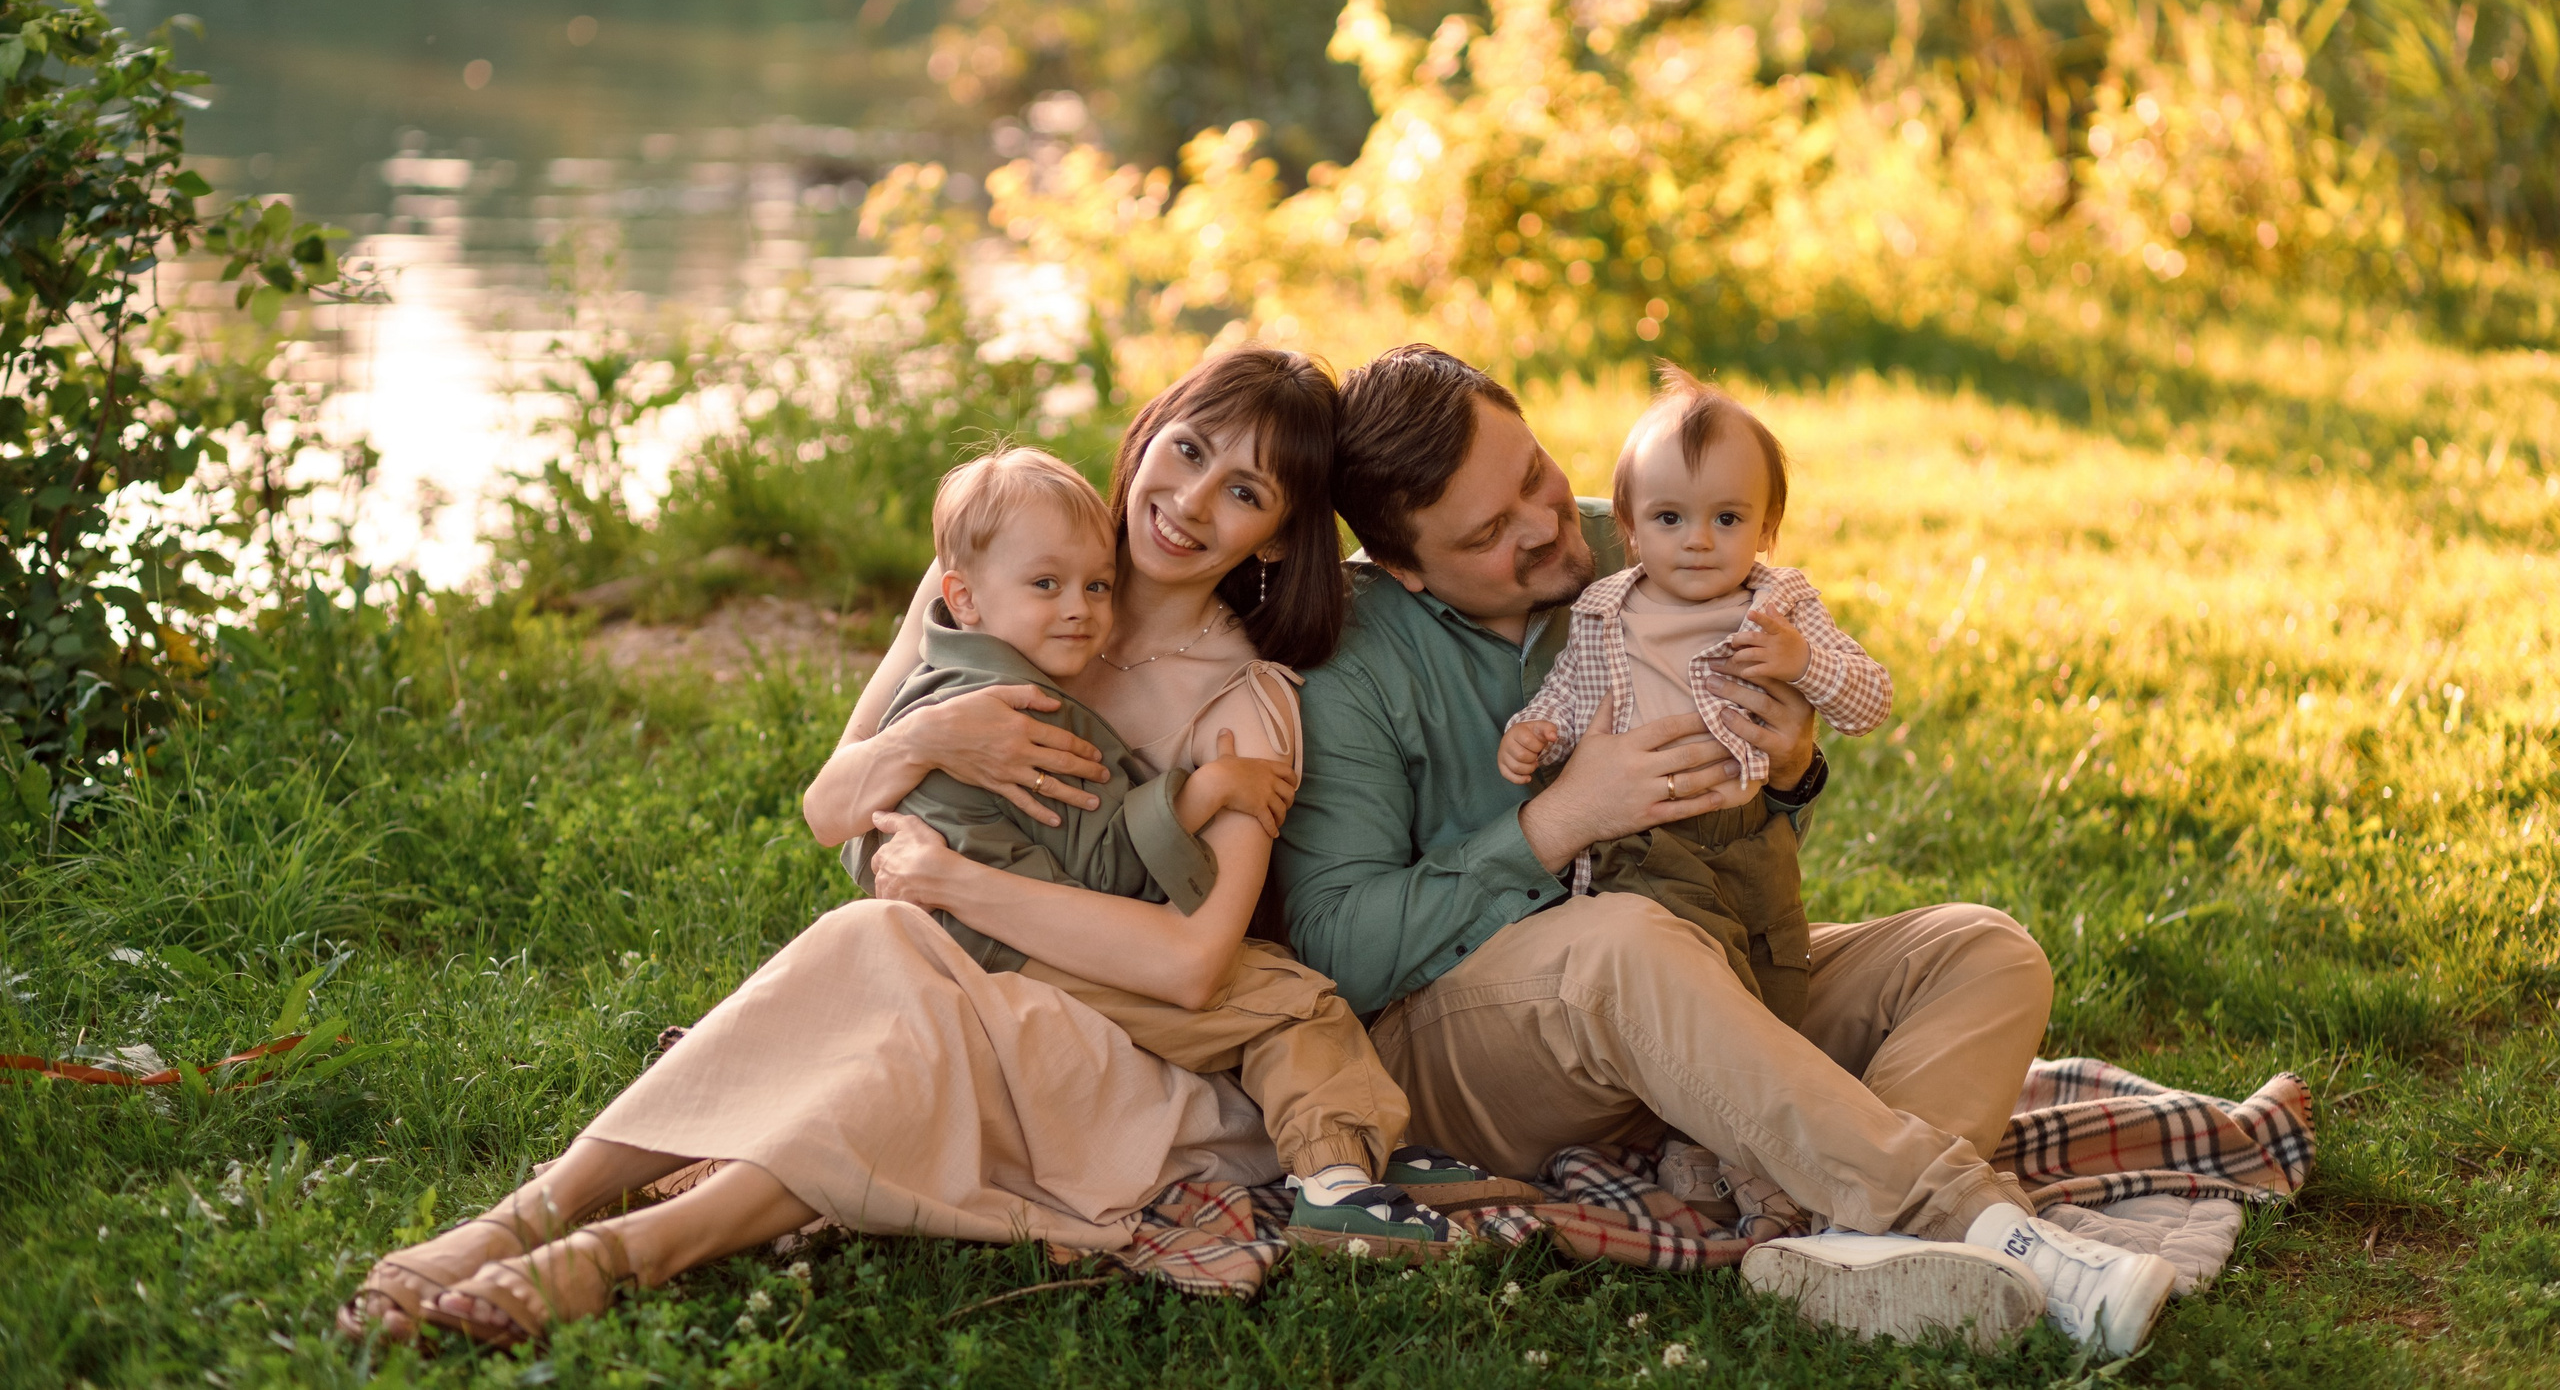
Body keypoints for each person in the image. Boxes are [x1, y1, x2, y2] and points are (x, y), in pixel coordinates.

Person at [338, 347, 1414, 1347]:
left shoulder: (1244, 707)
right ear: (1148, 433)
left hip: (1139, 1056)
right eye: (1189, 450)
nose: (1188, 501)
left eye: (1243, 491)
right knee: (893, 954)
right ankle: (527, 1218)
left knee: (896, 954)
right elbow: (832, 809)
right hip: (938, 969)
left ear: (1274, 535)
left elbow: (1190, 967)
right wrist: (930, 732)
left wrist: (950, 883)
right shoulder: (991, 577)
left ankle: (621, 1252)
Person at [1274, 343, 2177, 1356]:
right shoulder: (1350, 658)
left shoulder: (1646, 545)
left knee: (1978, 951)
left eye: (1533, 475)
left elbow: (1746, 824)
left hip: (1694, 975)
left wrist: (1788, 766)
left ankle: (1835, 1243)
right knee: (1622, 941)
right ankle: (1982, 1227)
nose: (1545, 526)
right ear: (1399, 564)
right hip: (1465, 1048)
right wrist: (1558, 821)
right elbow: (1335, 950)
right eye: (1490, 533)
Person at [851, 442, 1459, 1255]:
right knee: (1292, 1001)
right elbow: (1106, 859)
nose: (1079, 608)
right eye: (1048, 586)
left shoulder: (949, 665)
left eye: (1095, 587)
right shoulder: (1027, 711)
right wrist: (1201, 791)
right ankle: (1337, 1182)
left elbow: (853, 832)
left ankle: (1354, 1146)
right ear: (965, 595)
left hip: (967, 934)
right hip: (1014, 951)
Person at [1494, 366, 1892, 1027]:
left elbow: (1871, 702)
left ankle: (1752, 1105)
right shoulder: (1606, 613)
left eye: (1727, 517)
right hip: (1647, 843)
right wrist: (1534, 730)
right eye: (1670, 516)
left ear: (1768, 527)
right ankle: (1733, 1107)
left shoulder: (1783, 605)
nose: (1698, 539)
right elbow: (1567, 698)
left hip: (1753, 834)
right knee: (1706, 995)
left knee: (1779, 975)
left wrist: (1806, 662)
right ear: (1631, 526)